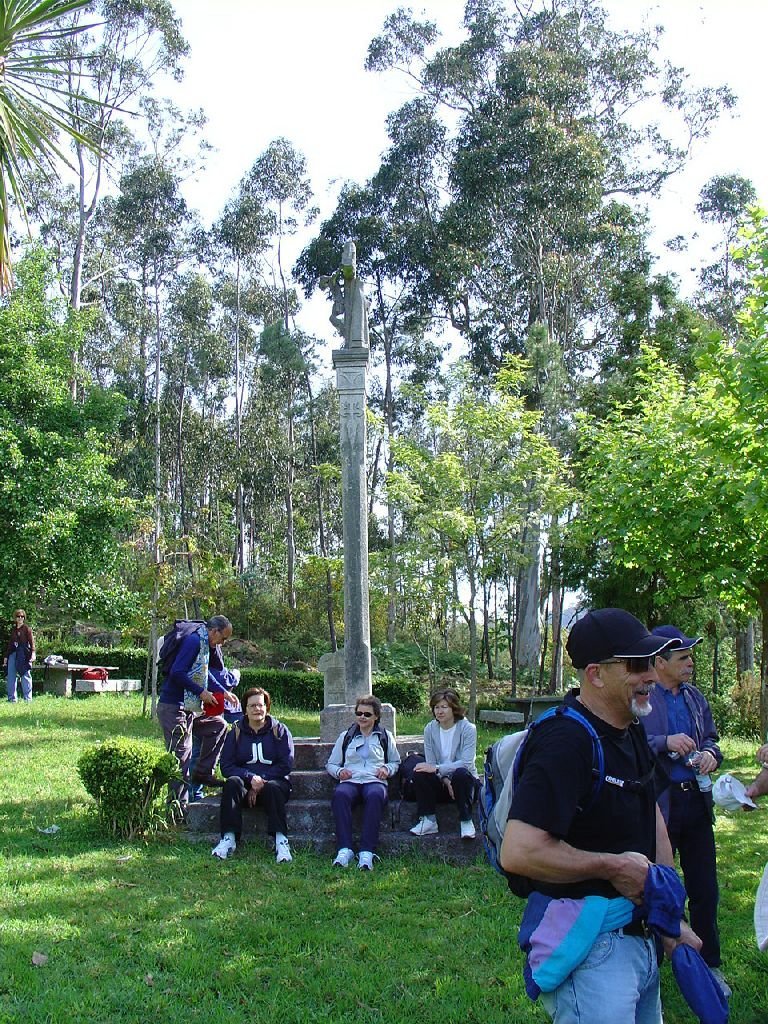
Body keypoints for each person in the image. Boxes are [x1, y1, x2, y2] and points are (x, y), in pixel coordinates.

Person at [501, 608, 699, 1024]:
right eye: (637, 665)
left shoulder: (632, 728)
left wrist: (669, 918)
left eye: (652, 662)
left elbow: (651, 816)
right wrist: (612, 867)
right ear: (595, 674)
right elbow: (518, 852)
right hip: (592, 949)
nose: (651, 675)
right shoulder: (563, 742)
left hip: (641, 937)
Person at [642, 624, 726, 987]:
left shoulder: (694, 698)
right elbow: (631, 742)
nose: (691, 663)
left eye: (691, 656)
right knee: (658, 886)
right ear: (660, 662)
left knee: (705, 888)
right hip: (660, 805)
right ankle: (652, 969)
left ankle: (709, 965)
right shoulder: (642, 697)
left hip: (696, 802)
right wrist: (665, 741)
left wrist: (710, 754)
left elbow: (712, 739)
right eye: (683, 657)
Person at [156, 615, 234, 811]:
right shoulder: (193, 641)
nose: (223, 643)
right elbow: (177, 672)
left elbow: (203, 671)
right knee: (181, 756)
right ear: (214, 631)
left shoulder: (204, 643)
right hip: (173, 707)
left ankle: (203, 773)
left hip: (190, 708)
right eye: (223, 638)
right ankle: (177, 809)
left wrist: (223, 692)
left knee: (218, 726)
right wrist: (201, 692)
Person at [212, 687, 294, 863]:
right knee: (232, 783)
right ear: (245, 709)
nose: (257, 709)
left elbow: (286, 764)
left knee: (273, 787)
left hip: (273, 784)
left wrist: (262, 780)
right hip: (244, 784)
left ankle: (281, 840)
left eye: (261, 705)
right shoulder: (235, 732)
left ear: (267, 707)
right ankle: (228, 839)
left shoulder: (279, 730)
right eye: (252, 706)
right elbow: (226, 766)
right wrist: (250, 778)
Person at [326, 695, 400, 870]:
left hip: (374, 780)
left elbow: (395, 762)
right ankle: (344, 849)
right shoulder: (346, 736)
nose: (362, 717)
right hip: (351, 780)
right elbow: (331, 764)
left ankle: (367, 851)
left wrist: (387, 769)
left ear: (376, 716)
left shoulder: (385, 736)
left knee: (375, 796)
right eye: (359, 713)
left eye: (367, 714)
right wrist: (339, 772)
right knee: (340, 795)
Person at [410, 687, 479, 839]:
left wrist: (438, 769)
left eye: (444, 707)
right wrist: (446, 781)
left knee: (461, 774)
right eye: (436, 707)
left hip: (465, 783)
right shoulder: (430, 729)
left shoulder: (468, 728)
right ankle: (428, 820)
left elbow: (466, 763)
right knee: (421, 771)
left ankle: (466, 821)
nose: (439, 711)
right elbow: (430, 764)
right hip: (443, 782)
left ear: (454, 708)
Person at [4, 609, 35, 703]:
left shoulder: (27, 629)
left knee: (25, 674)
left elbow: (32, 642)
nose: (20, 618)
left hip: (24, 654)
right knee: (11, 676)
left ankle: (28, 699)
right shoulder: (13, 630)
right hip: (13, 653)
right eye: (18, 616)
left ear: (24, 618)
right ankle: (12, 699)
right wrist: (6, 657)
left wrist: (33, 653)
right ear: (15, 618)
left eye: (22, 616)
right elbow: (10, 644)